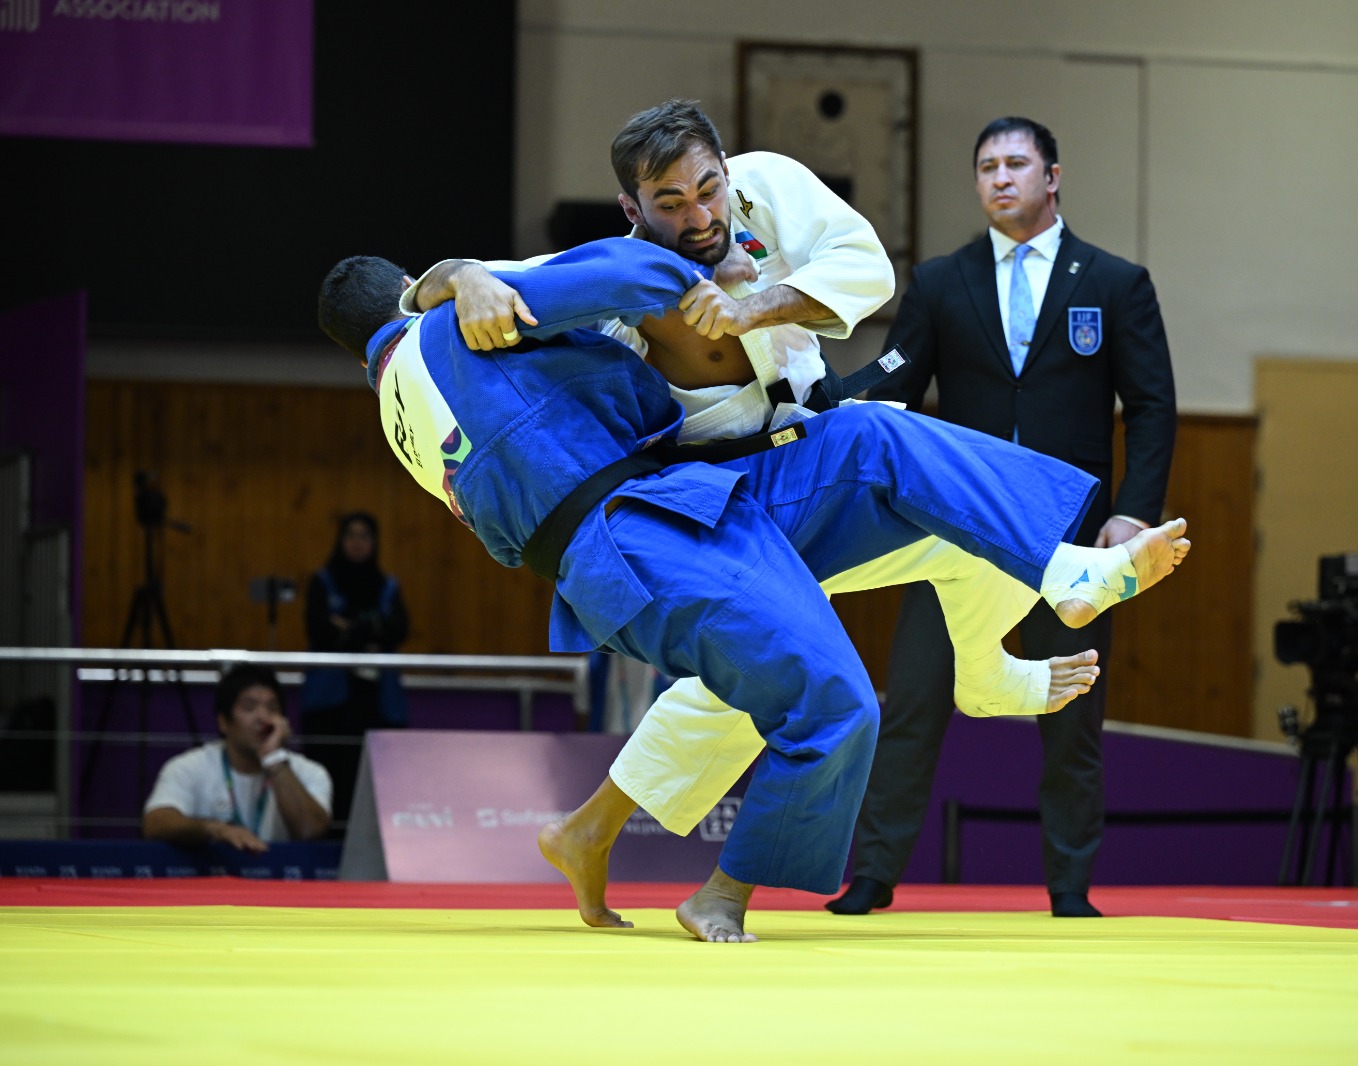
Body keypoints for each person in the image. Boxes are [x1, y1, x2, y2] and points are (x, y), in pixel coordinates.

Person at [317, 237, 1188, 941]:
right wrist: (702, 276)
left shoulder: (397, 411)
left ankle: (1059, 565)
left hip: (682, 497)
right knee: (836, 698)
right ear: (404, 289)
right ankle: (722, 893)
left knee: (875, 435)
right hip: (631, 535)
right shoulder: (451, 321)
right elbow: (620, 275)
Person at [406, 100, 1124, 929]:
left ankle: (592, 830)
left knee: (942, 503)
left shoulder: (770, 186)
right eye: (671, 205)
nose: (699, 215)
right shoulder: (616, 273)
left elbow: (867, 267)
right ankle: (988, 665)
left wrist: (761, 304)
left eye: (709, 189)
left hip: (807, 441)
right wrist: (461, 275)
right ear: (633, 210)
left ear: (726, 170)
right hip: (718, 491)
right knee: (792, 652)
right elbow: (440, 290)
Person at [829, 116, 1179, 920]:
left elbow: (1153, 407)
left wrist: (1132, 514)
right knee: (914, 701)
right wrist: (809, 401)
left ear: (1053, 177)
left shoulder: (1115, 283)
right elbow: (894, 388)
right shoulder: (943, 281)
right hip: (954, 528)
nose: (999, 177)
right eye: (986, 165)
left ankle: (1069, 888)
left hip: (1070, 534)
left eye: (1016, 163)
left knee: (1073, 711)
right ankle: (874, 876)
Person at [143, 664, 332, 851]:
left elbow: (310, 831)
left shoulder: (310, 772)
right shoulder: (188, 767)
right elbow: (156, 822)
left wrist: (274, 758)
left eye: (272, 708)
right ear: (223, 722)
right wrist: (214, 829)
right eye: (249, 707)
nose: (263, 717)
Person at [301, 510, 410, 828]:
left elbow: (398, 630)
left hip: (376, 703)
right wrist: (372, 628)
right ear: (341, 540)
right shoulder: (323, 581)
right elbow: (319, 629)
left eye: (365, 536)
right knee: (331, 777)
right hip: (330, 704)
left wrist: (349, 628)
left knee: (375, 782)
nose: (358, 543)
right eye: (351, 535)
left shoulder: (387, 585)